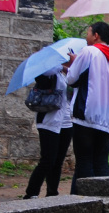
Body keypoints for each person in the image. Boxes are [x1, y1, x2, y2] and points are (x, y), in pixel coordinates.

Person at [65, 21, 109, 192]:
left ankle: (84, 205)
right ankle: (105, 201)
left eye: (88, 32)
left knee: (84, 162)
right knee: (101, 162)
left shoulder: (89, 51)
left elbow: (71, 80)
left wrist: (74, 63)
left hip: (86, 116)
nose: (86, 36)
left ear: (96, 35)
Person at [23, 67, 72, 199]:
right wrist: (61, 66)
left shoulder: (65, 74)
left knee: (58, 161)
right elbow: (41, 76)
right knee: (48, 160)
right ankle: (31, 193)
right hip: (49, 120)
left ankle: (52, 193)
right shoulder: (49, 70)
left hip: (66, 121)